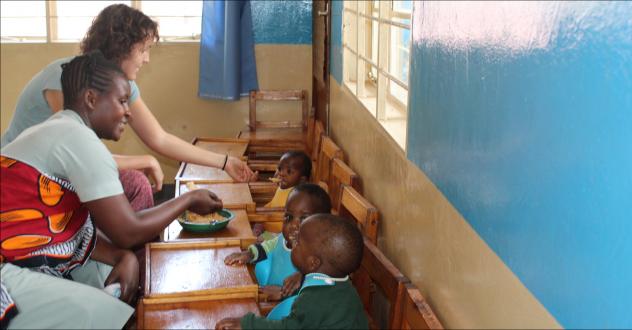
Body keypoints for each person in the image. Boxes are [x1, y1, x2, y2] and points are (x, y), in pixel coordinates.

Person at [0, 51, 224, 329]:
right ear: (92, 99)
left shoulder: (63, 129)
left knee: (110, 279)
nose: (128, 112)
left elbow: (74, 228)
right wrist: (189, 199)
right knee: (100, 313)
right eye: (121, 101)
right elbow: (127, 231)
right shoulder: (76, 137)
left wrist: (122, 256)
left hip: (24, 255)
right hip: (6, 269)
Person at [0, 3, 257, 211]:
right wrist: (142, 160)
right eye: (143, 50)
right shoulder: (66, 77)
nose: (147, 59)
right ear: (120, 47)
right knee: (135, 182)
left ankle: (130, 258)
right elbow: (80, 156)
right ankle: (123, 257)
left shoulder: (121, 85)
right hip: (20, 178)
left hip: (61, 175)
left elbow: (160, 138)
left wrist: (224, 163)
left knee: (134, 183)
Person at [216, 214, 369, 330]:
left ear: (313, 263)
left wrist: (247, 323)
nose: (293, 239)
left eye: (298, 242)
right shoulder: (340, 285)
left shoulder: (314, 299)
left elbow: (287, 327)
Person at [224, 183, 331, 303]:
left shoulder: (319, 258)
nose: (293, 226)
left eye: (304, 219)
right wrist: (249, 254)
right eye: (289, 217)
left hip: (289, 312)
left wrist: (284, 292)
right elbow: (264, 248)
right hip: (267, 297)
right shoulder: (282, 239)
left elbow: (317, 293)